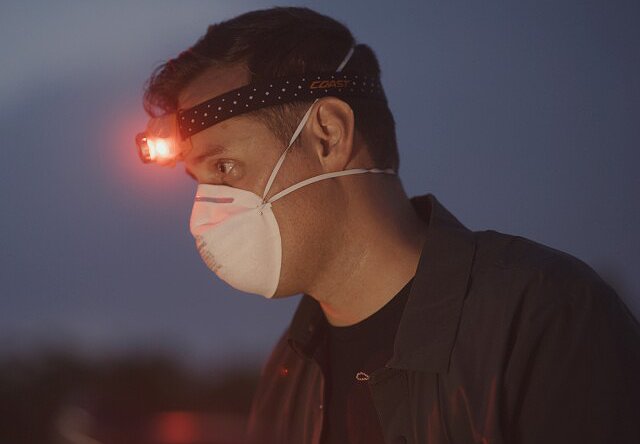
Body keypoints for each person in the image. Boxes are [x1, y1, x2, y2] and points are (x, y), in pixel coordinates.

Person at [137, 7, 640, 444]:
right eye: (199, 181)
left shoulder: (545, 320)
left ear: (328, 135)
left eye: (224, 167)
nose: (207, 210)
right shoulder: (290, 374)